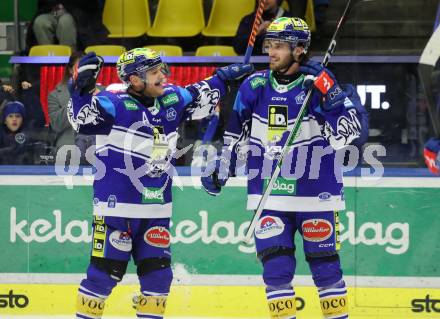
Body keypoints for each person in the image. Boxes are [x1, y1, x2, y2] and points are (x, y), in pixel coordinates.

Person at [202, 17, 368, 319]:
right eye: (269, 45)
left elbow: (350, 134)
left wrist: (331, 98)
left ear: (300, 49)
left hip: (317, 193)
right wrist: (222, 168)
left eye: (279, 46)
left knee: (325, 268)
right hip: (269, 194)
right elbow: (234, 136)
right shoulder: (254, 85)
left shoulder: (319, 83)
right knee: (276, 270)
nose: (271, 53)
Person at [69, 47, 252, 319]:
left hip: (157, 210)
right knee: (103, 275)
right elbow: (80, 119)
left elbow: (201, 91)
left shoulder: (172, 99)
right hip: (116, 210)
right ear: (134, 79)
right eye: (154, 72)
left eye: (161, 69)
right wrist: (80, 89)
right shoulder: (112, 102)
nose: (162, 76)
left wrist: (224, 77)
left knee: (158, 279)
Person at [48, 51, 95, 163]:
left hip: (96, 147)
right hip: (68, 150)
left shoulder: (102, 91)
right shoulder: (55, 95)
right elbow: (57, 125)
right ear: (70, 70)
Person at [26, 0, 108, 52]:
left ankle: (70, 63)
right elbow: (42, 3)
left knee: (66, 21)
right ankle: (48, 61)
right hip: (52, 11)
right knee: (40, 22)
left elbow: (92, 5)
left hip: (78, 15)